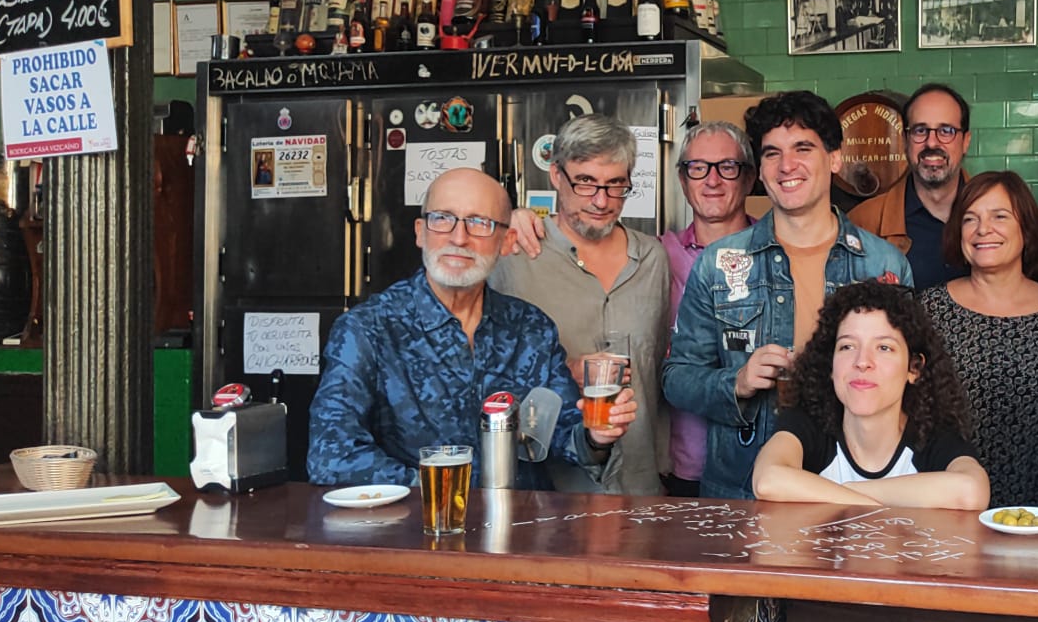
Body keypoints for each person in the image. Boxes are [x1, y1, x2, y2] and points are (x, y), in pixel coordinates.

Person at [310, 168, 635, 487]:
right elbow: (331, 457)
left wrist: (596, 436)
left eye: (479, 223)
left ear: (507, 242)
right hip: (413, 532)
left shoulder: (531, 328)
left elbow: (562, 435)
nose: (458, 237)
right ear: (420, 231)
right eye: (442, 218)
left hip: (520, 531)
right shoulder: (367, 329)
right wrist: (440, 487)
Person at [665, 91, 912, 499]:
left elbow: (910, 381)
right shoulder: (719, 263)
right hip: (744, 492)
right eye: (772, 153)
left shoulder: (882, 265)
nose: (787, 166)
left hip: (854, 490)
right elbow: (676, 379)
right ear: (760, 171)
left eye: (803, 148)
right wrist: (738, 382)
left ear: (834, 159)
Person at [494, 115, 669, 495]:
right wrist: (565, 367)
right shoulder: (516, 254)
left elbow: (654, 366)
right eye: (586, 182)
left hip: (640, 485)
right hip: (551, 488)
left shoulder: (653, 258)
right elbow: (484, 374)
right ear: (556, 175)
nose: (601, 201)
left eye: (615, 185)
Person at [753, 281, 988, 508]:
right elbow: (768, 480)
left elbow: (971, 491)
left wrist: (844, 492)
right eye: (847, 346)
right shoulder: (807, 423)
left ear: (914, 369)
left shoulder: (932, 436)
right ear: (830, 367)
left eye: (884, 347)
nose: (862, 362)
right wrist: (876, 503)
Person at [919, 172, 1038, 507]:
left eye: (999, 216)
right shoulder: (928, 310)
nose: (983, 229)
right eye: (970, 219)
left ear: (1025, 227)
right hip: (951, 501)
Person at [850, 83, 1038, 292]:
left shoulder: (1012, 210)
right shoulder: (865, 222)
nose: (932, 142)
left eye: (946, 131)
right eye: (920, 131)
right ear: (905, 141)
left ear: (966, 141)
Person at [660, 121, 757, 496]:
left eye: (726, 167)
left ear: (748, 179)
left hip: (760, 464)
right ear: (683, 181)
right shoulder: (655, 254)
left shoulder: (777, 253)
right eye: (697, 168)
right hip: (682, 466)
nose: (711, 180)